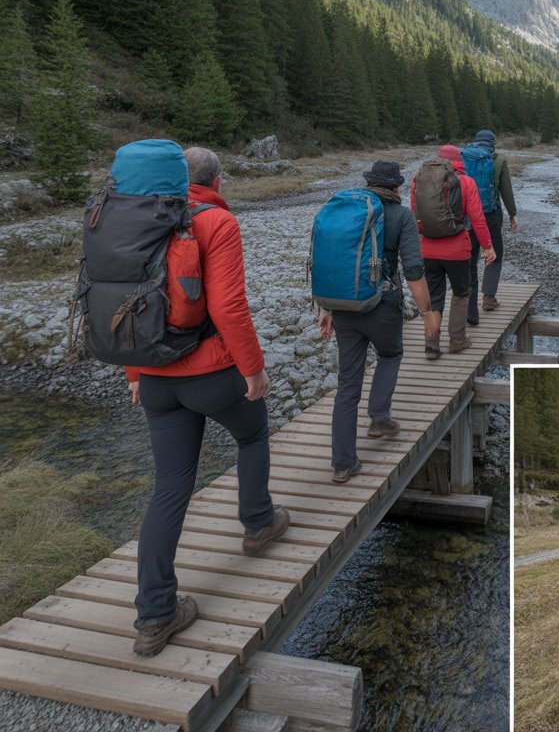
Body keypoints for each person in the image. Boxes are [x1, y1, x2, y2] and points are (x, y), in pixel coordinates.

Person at [126, 147, 289, 657]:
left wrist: (134, 373)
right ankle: (258, 522)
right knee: (253, 432)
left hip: (154, 377)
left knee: (170, 487)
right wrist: (253, 369)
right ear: (217, 179)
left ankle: (155, 615)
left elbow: (125, 304)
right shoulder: (216, 221)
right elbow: (227, 305)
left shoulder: (134, 220)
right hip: (210, 372)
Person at [318, 161, 440, 483]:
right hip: (383, 307)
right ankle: (379, 416)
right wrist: (427, 313)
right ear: (397, 187)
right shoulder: (401, 216)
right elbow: (413, 270)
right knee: (390, 355)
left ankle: (343, 463)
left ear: (369, 183)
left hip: (345, 308)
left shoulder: (350, 210)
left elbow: (335, 262)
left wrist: (327, 308)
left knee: (347, 385)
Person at [411, 145, 495, 358]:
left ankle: (432, 344)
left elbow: (415, 215)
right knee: (461, 293)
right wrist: (487, 246)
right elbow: (477, 219)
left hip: (427, 249)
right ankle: (457, 340)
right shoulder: (466, 182)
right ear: (459, 162)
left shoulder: (419, 179)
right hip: (457, 249)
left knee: (434, 295)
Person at [462, 129, 518, 324]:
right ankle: (489, 298)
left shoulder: (464, 157)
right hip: (491, 215)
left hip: (468, 215)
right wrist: (512, 214)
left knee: (470, 257)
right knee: (494, 253)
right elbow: (506, 189)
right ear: (493, 142)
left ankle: (468, 306)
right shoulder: (499, 159)